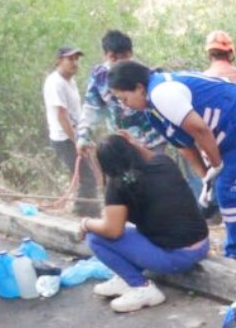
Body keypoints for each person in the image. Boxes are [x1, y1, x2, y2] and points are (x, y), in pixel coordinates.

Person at [108, 60, 236, 264]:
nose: (125, 104)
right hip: (225, 131)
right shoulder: (152, 111)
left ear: (139, 87)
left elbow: (200, 129)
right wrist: (205, 179)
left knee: (230, 188)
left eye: (124, 98)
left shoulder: (161, 93)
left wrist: (217, 165)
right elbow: (184, 146)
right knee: (221, 188)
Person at [77, 134, 210, 313]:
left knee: (95, 237)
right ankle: (124, 278)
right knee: (125, 231)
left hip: (177, 257)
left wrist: (85, 223)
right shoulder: (164, 162)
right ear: (131, 147)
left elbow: (113, 230)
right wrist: (133, 143)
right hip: (202, 245)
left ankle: (142, 287)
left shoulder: (118, 186)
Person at [42, 45, 99, 216]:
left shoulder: (70, 81)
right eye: (70, 59)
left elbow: (76, 112)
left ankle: (93, 211)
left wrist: (85, 135)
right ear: (59, 61)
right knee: (87, 177)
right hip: (64, 138)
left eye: (76, 59)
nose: (74, 63)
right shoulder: (55, 83)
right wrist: (77, 140)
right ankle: (80, 214)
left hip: (76, 135)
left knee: (92, 175)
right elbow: (61, 116)